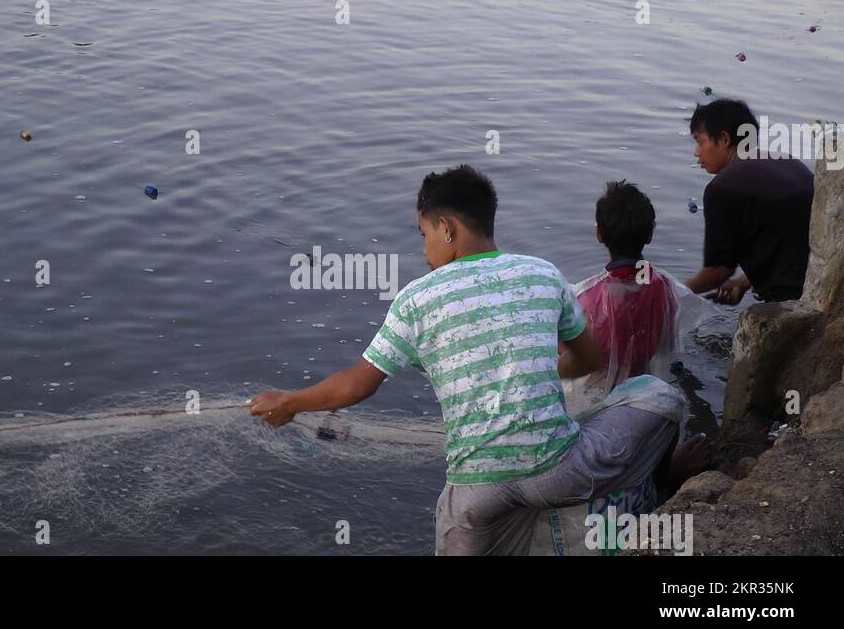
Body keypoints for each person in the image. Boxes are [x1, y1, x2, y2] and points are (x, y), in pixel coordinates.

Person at [249, 165, 685, 555]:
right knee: (660, 396)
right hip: (559, 474)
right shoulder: (542, 274)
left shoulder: (416, 300)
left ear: (447, 227)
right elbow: (591, 359)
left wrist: (290, 402)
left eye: (423, 236)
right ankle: (665, 484)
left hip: (477, 490)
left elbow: (358, 385)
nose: (424, 251)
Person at [571, 180, 710, 487]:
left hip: (596, 400)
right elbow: (669, 342)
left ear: (598, 234)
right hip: (648, 393)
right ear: (650, 234)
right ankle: (663, 471)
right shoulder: (665, 287)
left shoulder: (584, 297)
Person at [685, 99, 814, 303]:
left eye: (700, 142)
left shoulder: (722, 188)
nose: (697, 153)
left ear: (724, 139)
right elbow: (788, 243)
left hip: (788, 301)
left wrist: (673, 292)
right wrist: (744, 282)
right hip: (821, 283)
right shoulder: (789, 163)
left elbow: (719, 271)